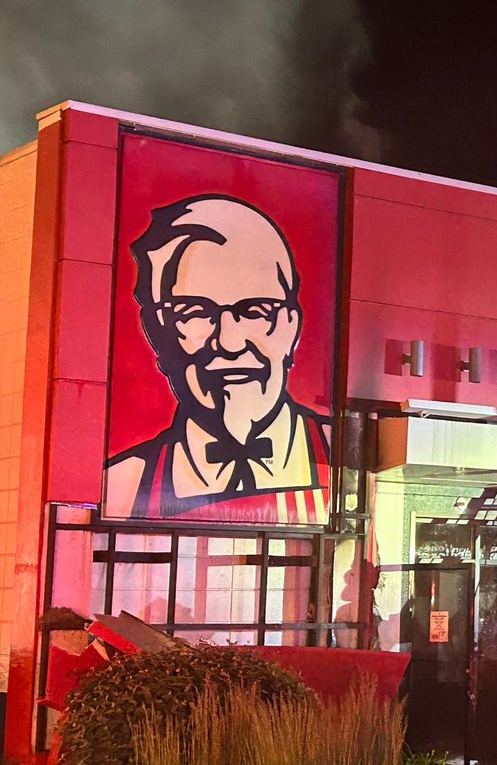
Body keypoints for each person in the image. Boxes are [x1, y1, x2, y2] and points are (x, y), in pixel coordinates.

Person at [106, 195, 332, 522]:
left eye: (255, 311)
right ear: (156, 333)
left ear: (291, 328)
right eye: (195, 312)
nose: (229, 341)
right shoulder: (120, 489)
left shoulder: (345, 465)